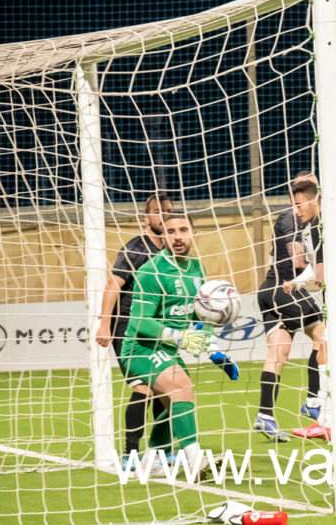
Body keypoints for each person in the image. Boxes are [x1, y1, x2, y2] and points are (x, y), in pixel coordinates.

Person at [120, 211, 238, 476]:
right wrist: (179, 337)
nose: (177, 237)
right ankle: (196, 460)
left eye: (183, 230)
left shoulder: (197, 269)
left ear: (194, 234)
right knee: (182, 387)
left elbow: (201, 314)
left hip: (167, 349)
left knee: (179, 397)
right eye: (170, 231)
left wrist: (213, 349)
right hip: (139, 350)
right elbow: (140, 323)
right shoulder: (151, 271)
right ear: (162, 236)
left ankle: (151, 460)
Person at [96, 194, 173, 460]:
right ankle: (130, 454)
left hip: (157, 329)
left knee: (169, 389)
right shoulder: (136, 247)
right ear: (146, 218)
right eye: (158, 211)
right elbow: (113, 284)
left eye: (168, 211)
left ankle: (164, 450)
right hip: (128, 329)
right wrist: (105, 324)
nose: (163, 215)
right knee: (145, 388)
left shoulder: (170, 254)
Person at [254, 174, 326, 442]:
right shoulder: (293, 219)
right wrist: (318, 266)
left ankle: (265, 415)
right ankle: (314, 401)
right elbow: (298, 260)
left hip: (269, 290)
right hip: (285, 289)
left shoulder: (301, 218)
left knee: (277, 353)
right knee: (322, 335)